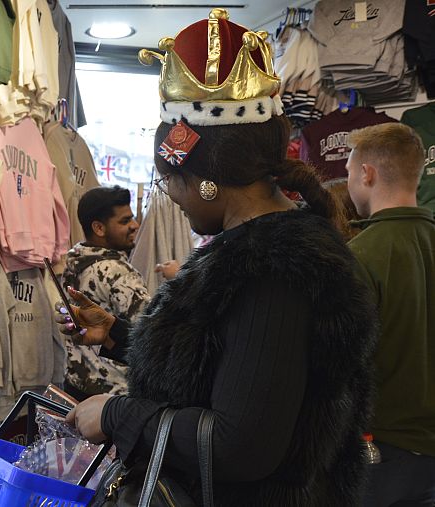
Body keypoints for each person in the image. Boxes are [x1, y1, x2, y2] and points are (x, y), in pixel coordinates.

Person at [59, 9, 377, 504]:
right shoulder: (251, 251)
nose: (173, 196)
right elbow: (222, 368)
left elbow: (242, 445)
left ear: (208, 182)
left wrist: (117, 416)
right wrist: (118, 336)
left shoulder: (275, 269)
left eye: (172, 182)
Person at [343, 123, 435, 506]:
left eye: (348, 173)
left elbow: (346, 366)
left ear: (367, 174)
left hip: (383, 455)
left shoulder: (360, 256)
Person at [61, 185, 149, 399]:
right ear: (99, 228)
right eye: (125, 221)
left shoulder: (74, 260)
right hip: (113, 396)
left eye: (133, 218)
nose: (135, 225)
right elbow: (149, 336)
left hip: (77, 383)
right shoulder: (118, 273)